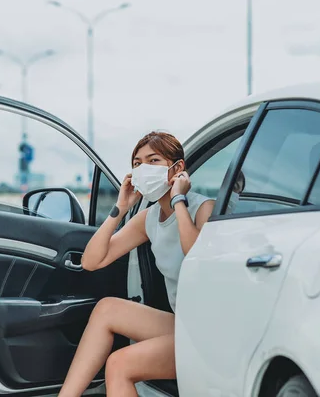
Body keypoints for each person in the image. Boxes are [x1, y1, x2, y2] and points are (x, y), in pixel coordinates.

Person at [58, 131, 216, 397]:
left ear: (177, 169)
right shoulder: (148, 217)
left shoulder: (204, 208)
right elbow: (92, 261)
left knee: (119, 364)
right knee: (106, 309)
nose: (143, 169)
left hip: (213, 330)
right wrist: (120, 207)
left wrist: (179, 198)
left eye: (153, 161)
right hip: (184, 322)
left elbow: (195, 255)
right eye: (137, 163)